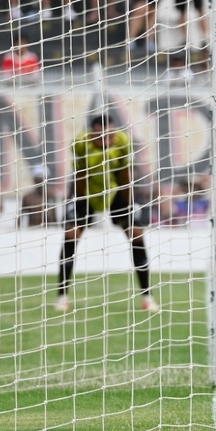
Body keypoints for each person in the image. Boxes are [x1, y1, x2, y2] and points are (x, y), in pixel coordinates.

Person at [55, 114, 157, 313]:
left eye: (109, 135)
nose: (106, 139)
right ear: (92, 134)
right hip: (88, 192)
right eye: (100, 135)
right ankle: (62, 296)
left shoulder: (122, 141)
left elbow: (126, 176)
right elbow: (80, 176)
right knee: (71, 234)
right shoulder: (80, 144)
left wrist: (128, 208)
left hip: (116, 189)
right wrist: (79, 208)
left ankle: (147, 296)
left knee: (136, 233)